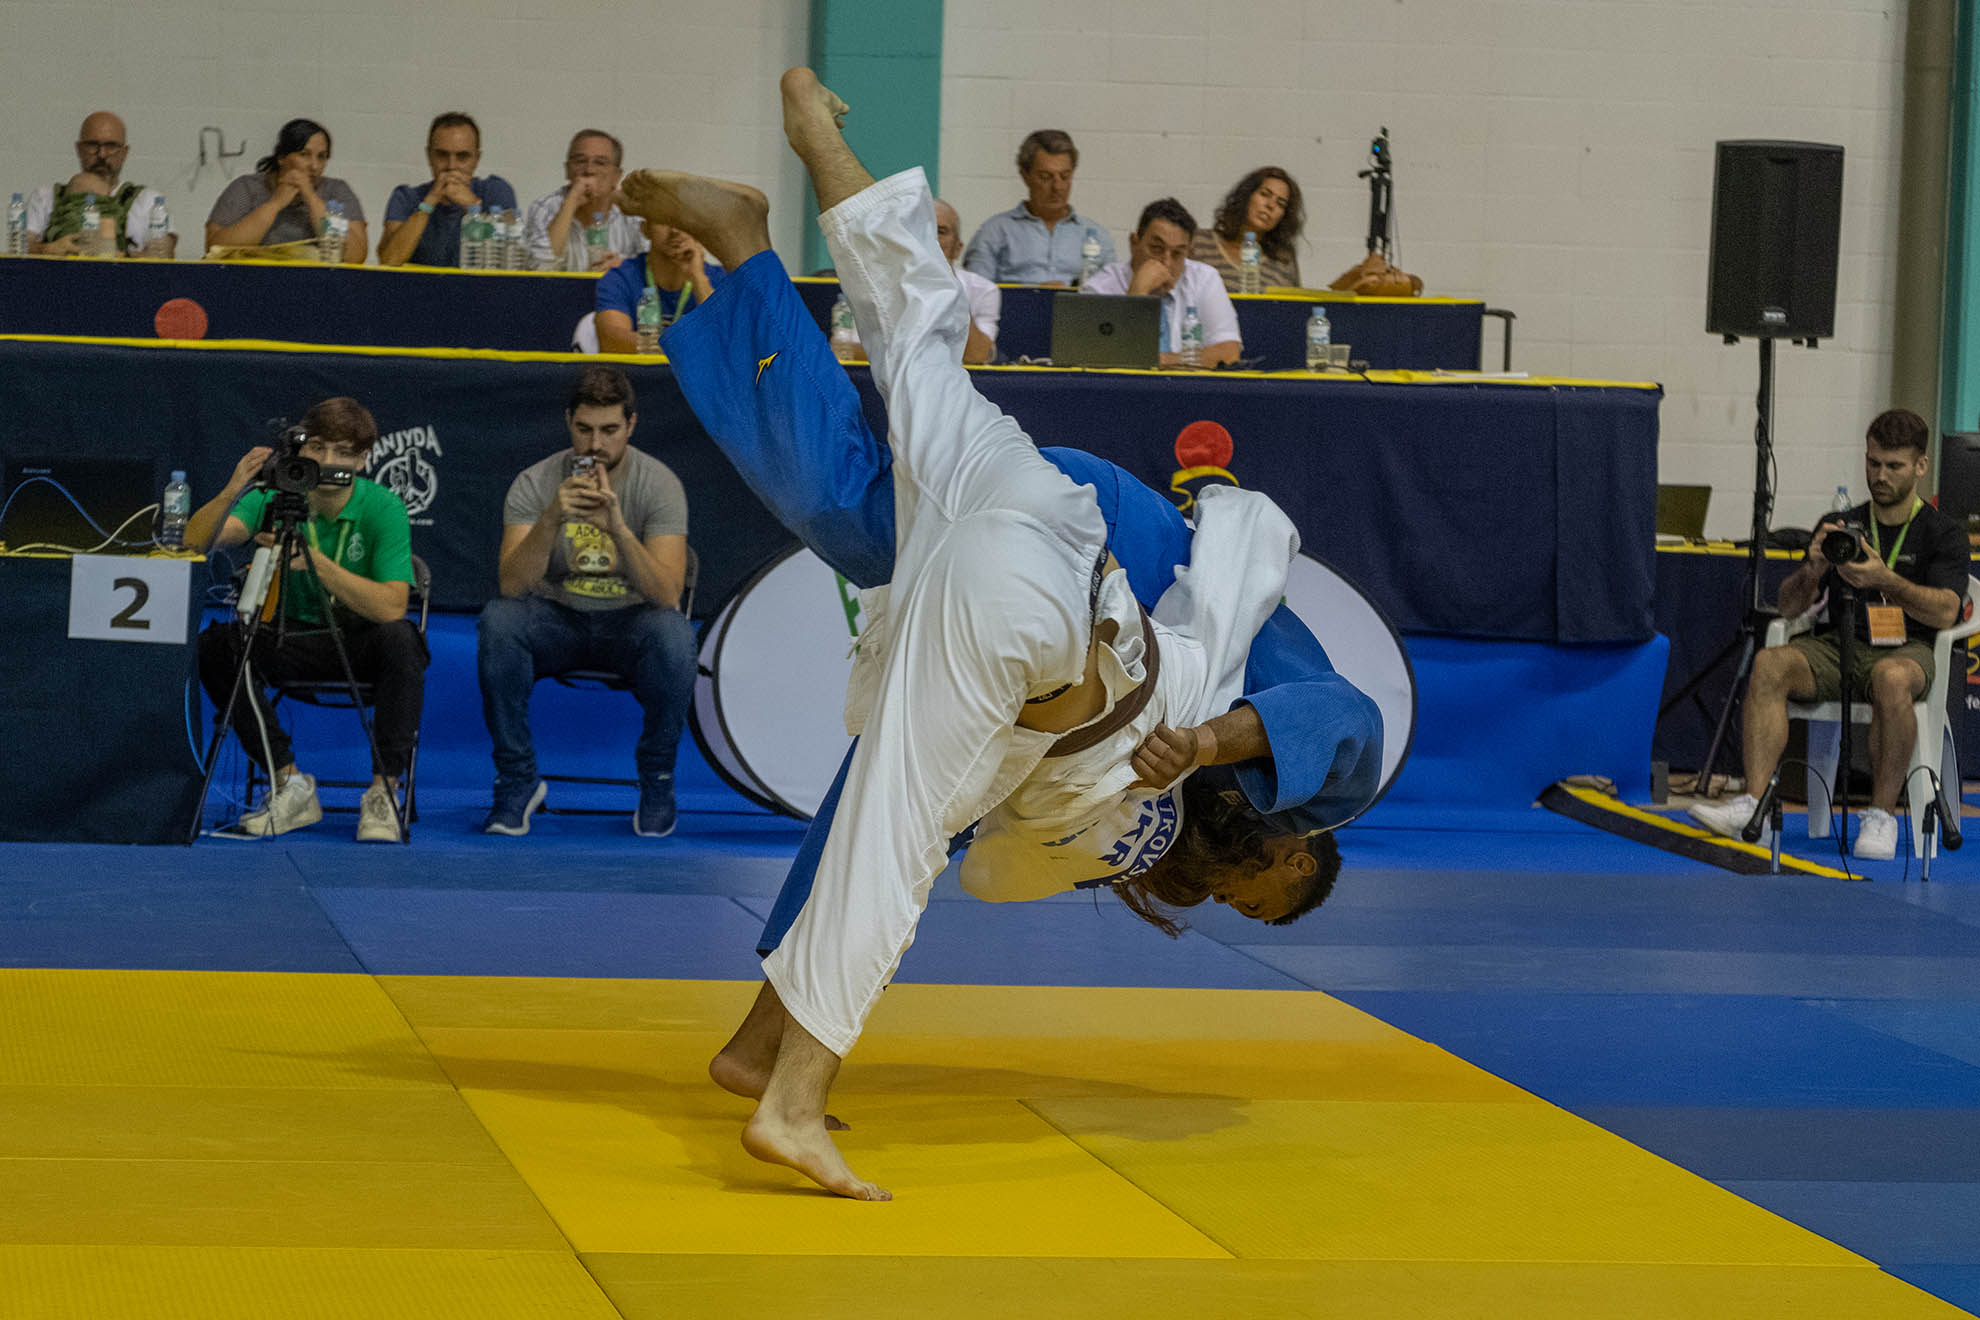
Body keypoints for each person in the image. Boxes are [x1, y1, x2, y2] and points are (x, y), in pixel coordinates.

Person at [619, 67, 1380, 1201]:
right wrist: (1213, 744)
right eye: (1262, 887)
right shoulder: (1297, 765)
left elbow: (1007, 849)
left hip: (1045, 550)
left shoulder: (1149, 811)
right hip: (1099, 545)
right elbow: (1346, 718)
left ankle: (766, 1044)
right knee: (901, 780)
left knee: (883, 419)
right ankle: (786, 1071)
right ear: (1298, 847)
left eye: (1238, 906)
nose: (1234, 895)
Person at [1690, 408, 1970, 860]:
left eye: (1894, 466)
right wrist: (1814, 569)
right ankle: (1754, 805)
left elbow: (1947, 611)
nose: (1880, 476)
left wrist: (1886, 579)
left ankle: (1881, 816)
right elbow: (1788, 608)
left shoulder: (1943, 533)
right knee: (1770, 662)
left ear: (1920, 466)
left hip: (1908, 648)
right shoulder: (1841, 525)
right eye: (1873, 462)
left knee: (1891, 678)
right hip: (1837, 644)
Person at [188, 398, 426, 843]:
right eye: (317, 447)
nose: (329, 461)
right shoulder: (275, 496)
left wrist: (316, 564)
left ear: (363, 460)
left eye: (343, 452)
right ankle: (289, 782)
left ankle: (383, 792)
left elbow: (392, 607)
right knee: (217, 645)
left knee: (403, 638)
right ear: (300, 449)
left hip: (360, 641)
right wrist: (233, 489)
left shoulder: (384, 507)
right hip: (289, 636)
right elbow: (195, 542)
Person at [476, 366, 696, 838]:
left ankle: (657, 779)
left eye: (609, 430)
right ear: (568, 423)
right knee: (500, 622)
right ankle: (517, 779)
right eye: (585, 429)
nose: (596, 444)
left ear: (631, 425)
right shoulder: (535, 483)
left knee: (675, 635)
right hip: (557, 619)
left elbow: (666, 595)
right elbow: (511, 586)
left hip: (631, 623)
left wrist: (618, 528)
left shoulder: (658, 484)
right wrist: (551, 518)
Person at [1082, 199, 1242, 368]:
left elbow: (1229, 354)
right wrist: (1137, 293)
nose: (1167, 263)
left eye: (1177, 254)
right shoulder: (1100, 288)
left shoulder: (1204, 279)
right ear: (1134, 243)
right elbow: (1094, 356)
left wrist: (1158, 361)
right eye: (1156, 248)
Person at [961, 129, 1113, 285]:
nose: (1057, 186)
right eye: (1045, 177)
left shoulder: (1097, 236)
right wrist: (1036, 294)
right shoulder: (995, 232)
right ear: (1025, 176)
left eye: (1065, 176)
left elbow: (1112, 293)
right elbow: (975, 292)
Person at [205, 119, 367, 262]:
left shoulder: (336, 191)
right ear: (282, 157)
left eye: (321, 157)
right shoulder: (247, 187)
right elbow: (215, 248)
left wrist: (312, 199)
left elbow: (355, 256)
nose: (314, 166)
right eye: (304, 154)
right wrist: (275, 204)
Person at [378, 112, 519, 267]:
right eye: (442, 155)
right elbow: (389, 261)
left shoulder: (496, 191)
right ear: (429, 156)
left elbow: (509, 258)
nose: (452, 166)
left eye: (462, 156)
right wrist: (428, 203)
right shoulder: (406, 197)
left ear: (476, 159)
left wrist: (473, 207)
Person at [25, 111, 172, 257]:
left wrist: (127, 257)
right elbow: (21, 248)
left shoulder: (149, 202)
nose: (102, 154)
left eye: (111, 146)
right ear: (79, 149)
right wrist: (47, 249)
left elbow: (167, 253)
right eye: (92, 145)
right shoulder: (45, 198)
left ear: (124, 152)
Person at [592, 216, 723, 355]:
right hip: (642, 370)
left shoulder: (721, 279)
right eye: (664, 219)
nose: (675, 230)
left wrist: (698, 279)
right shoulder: (619, 278)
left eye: (684, 219)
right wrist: (689, 349)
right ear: (645, 229)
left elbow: (726, 340)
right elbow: (611, 341)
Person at [523, 129, 645, 272]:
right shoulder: (544, 208)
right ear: (567, 170)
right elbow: (539, 268)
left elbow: (657, 270)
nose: (589, 170)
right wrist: (571, 202)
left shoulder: (634, 215)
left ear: (617, 176)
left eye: (600, 163)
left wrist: (624, 268)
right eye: (580, 161)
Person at [1191, 166, 1304, 292]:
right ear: (1247, 196)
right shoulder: (1199, 242)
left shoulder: (1283, 260)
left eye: (1280, 204)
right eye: (1265, 194)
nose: (1271, 205)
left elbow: (1292, 303)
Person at [936, 199, 999, 364]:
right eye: (922, 228)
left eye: (940, 231)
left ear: (957, 248)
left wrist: (948, 284)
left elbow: (977, 355)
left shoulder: (983, 290)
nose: (930, 238)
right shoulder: (884, 287)